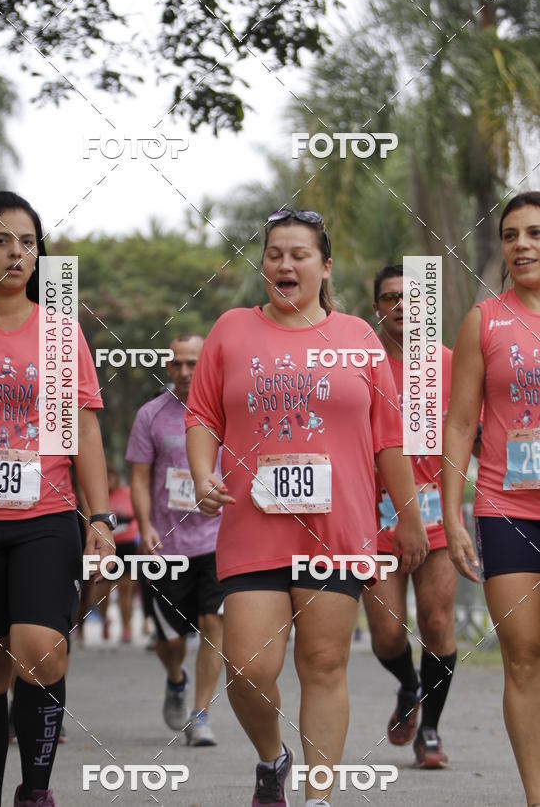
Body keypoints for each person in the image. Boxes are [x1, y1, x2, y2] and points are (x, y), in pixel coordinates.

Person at [185, 208, 429, 807]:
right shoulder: (232, 330)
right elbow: (203, 415)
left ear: (325, 267)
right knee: (249, 668)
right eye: (274, 254)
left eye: (299, 254)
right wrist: (202, 473)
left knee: (323, 664)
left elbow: (388, 439)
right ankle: (273, 759)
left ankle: (319, 799)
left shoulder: (358, 338)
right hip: (253, 528)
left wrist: (409, 518)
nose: (285, 264)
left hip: (337, 530)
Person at [0, 192, 114, 807]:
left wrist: (100, 519)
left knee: (40, 650)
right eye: (2, 241)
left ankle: (34, 793)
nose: (17, 252)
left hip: (46, 516)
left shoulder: (61, 333)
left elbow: (84, 430)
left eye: (28, 242)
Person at [443, 191, 540, 807]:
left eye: (534, 233)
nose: (521, 245)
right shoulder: (484, 320)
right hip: (508, 509)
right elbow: (459, 424)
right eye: (510, 235)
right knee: (523, 657)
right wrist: (453, 513)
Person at [362, 265, 458, 768]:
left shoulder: (448, 363)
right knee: (386, 634)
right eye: (389, 298)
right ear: (376, 307)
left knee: (437, 623)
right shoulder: (360, 362)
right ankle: (409, 686)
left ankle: (432, 732)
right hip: (376, 519)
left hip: (437, 514)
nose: (400, 306)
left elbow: (468, 433)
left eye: (410, 297)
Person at [126, 334, 224, 746]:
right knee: (170, 641)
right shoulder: (150, 415)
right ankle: (175, 678)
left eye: (193, 363)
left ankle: (200, 716)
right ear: (167, 367)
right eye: (177, 364)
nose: (185, 372)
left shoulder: (226, 408)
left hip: (218, 540)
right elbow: (139, 478)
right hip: (166, 545)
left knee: (213, 623)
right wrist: (144, 525)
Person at [91, 465, 139, 643]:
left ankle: (126, 627)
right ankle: (105, 620)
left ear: (116, 478)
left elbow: (137, 515)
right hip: (105, 547)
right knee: (101, 591)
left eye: (111, 477)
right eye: (106, 478)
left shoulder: (127, 493)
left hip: (126, 545)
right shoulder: (98, 498)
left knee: (126, 589)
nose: (109, 481)